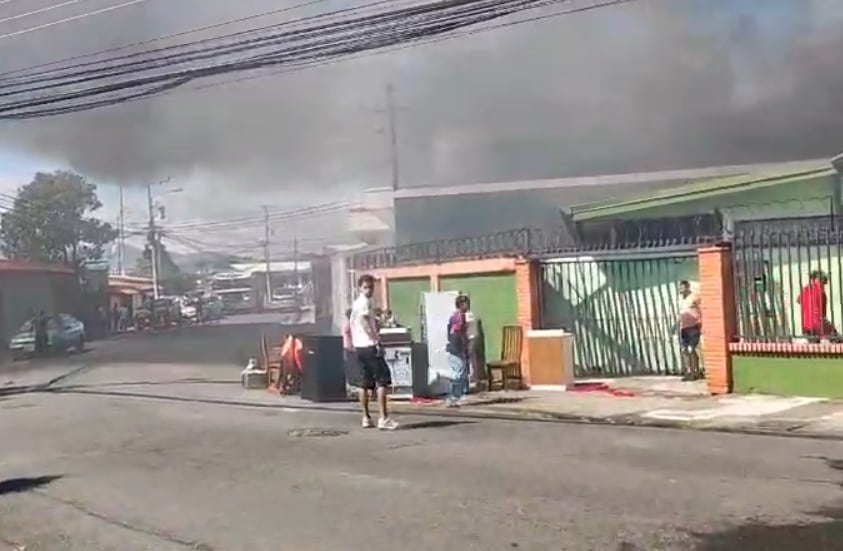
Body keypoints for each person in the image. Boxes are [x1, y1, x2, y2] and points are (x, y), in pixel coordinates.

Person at [350, 274, 398, 430]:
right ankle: (383, 418)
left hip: (359, 347)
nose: (369, 290)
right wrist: (376, 340)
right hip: (369, 345)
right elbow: (364, 321)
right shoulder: (364, 302)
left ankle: (366, 417)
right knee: (382, 380)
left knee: (364, 383)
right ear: (359, 288)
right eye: (365, 287)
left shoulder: (356, 303)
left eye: (371, 287)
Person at [446, 294, 471, 407]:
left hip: (457, 348)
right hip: (456, 349)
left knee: (461, 373)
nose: (467, 305)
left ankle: (457, 396)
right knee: (458, 374)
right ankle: (453, 397)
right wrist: (462, 347)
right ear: (460, 305)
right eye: (465, 303)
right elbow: (457, 334)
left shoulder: (458, 316)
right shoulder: (458, 317)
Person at [798, 270, 837, 342]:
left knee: (814, 347)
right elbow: (823, 312)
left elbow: (798, 300)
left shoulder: (805, 289)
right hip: (818, 323)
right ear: (820, 280)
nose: (825, 284)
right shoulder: (821, 291)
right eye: (824, 282)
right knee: (837, 338)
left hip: (806, 325)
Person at [677, 280, 702, 381]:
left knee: (691, 349)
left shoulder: (694, 297)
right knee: (684, 350)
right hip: (684, 327)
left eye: (683, 288)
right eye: (680, 288)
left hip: (693, 326)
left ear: (687, 287)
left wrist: (701, 324)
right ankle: (688, 372)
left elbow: (701, 309)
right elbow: (682, 313)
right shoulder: (681, 299)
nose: (681, 290)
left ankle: (695, 372)